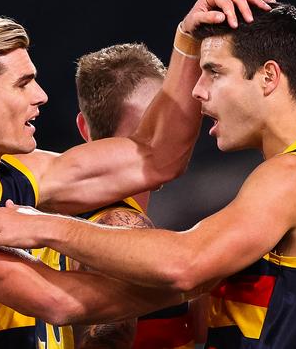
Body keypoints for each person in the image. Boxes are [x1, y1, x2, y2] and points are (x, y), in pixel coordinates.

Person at [0, 2, 296, 348]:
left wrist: (42, 227)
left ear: (268, 76)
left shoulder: (292, 175)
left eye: (214, 72)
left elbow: (186, 263)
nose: (198, 91)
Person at [0, 0, 272, 348]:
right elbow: (57, 300)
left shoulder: (19, 174)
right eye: (23, 84)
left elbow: (156, 156)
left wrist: (187, 39)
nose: (41, 96)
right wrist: (196, 278)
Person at [34, 43, 207, 349]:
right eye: (153, 127)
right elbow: (108, 336)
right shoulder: (119, 223)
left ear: (84, 128)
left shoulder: (53, 218)